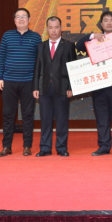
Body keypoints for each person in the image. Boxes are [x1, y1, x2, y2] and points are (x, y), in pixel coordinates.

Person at [76, 11, 112, 156]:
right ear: (101, 24)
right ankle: (104, 146)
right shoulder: (94, 40)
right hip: (99, 85)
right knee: (101, 117)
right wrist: (92, 36)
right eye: (105, 20)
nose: (108, 22)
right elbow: (79, 46)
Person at [0, 8, 42, 157]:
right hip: (9, 81)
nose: (21, 19)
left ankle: (27, 146)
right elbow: (1, 57)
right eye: (18, 17)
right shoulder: (7, 36)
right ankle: (6, 147)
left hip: (28, 82)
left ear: (29, 19)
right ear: (14, 20)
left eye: (24, 16)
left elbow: (39, 62)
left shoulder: (36, 37)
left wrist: (37, 82)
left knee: (28, 115)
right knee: (8, 115)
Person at [32, 16, 76, 157]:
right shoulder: (41, 46)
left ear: (61, 28)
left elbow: (73, 68)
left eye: (56, 27)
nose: (54, 30)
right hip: (44, 88)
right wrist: (35, 87)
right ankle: (45, 148)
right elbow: (37, 68)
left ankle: (62, 148)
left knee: (62, 120)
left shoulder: (68, 45)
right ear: (47, 29)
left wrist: (71, 87)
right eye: (50, 28)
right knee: (45, 120)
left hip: (62, 88)